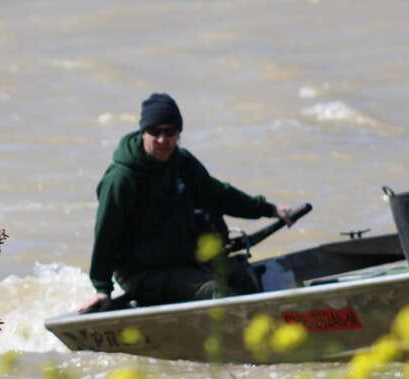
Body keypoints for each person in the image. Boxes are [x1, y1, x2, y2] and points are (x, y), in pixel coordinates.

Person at [80, 93, 291, 313]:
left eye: (170, 132)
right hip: (142, 274)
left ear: (178, 133)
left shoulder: (182, 163)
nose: (163, 140)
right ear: (144, 132)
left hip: (183, 261)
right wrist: (102, 289)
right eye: (155, 132)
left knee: (244, 277)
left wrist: (270, 210)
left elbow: (220, 195)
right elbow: (106, 236)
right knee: (217, 292)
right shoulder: (121, 179)